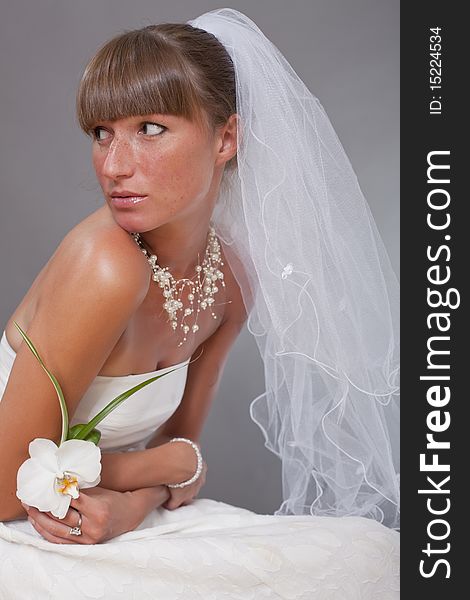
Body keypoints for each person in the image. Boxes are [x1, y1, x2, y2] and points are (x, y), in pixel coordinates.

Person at [0, 7, 400, 598]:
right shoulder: (105, 264)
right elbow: (10, 485)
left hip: (89, 511)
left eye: (151, 129)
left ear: (227, 139)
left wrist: (137, 503)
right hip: (16, 514)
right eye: (101, 132)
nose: (113, 165)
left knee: (372, 555)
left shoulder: (231, 280)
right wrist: (157, 472)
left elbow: (183, 465)